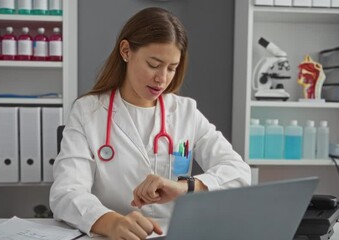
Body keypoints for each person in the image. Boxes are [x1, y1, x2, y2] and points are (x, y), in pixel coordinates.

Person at [50, 7, 251, 240]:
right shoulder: (88, 112)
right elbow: (66, 193)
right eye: (154, 65)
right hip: (111, 235)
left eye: (172, 68)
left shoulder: (185, 111)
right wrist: (110, 222)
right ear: (126, 51)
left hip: (172, 234)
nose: (162, 78)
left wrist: (187, 187)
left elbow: (239, 172)